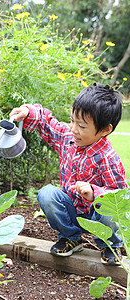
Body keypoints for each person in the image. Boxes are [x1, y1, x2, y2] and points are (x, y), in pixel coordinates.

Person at [10, 83, 128, 266]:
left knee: (111, 210)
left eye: (81, 125)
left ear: (105, 130)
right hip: (72, 210)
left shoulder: (109, 158)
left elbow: (122, 198)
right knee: (47, 194)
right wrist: (28, 111)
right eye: (72, 121)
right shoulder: (68, 138)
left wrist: (94, 193)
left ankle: (110, 245)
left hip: (98, 217)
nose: (73, 128)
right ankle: (70, 236)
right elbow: (48, 123)